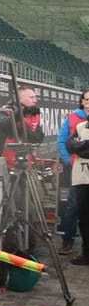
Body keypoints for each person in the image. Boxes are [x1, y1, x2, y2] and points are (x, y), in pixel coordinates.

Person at [56, 91, 89, 256]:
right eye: (87, 99)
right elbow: (62, 142)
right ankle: (68, 241)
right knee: (73, 206)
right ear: (82, 101)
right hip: (77, 170)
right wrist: (69, 160)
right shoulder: (72, 118)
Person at [0, 86, 44, 172]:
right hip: (7, 165)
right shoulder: (6, 110)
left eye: (35, 97)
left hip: (27, 163)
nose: (35, 100)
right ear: (20, 99)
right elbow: (7, 127)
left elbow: (39, 138)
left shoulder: (35, 114)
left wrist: (23, 130)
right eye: (31, 97)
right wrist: (18, 114)